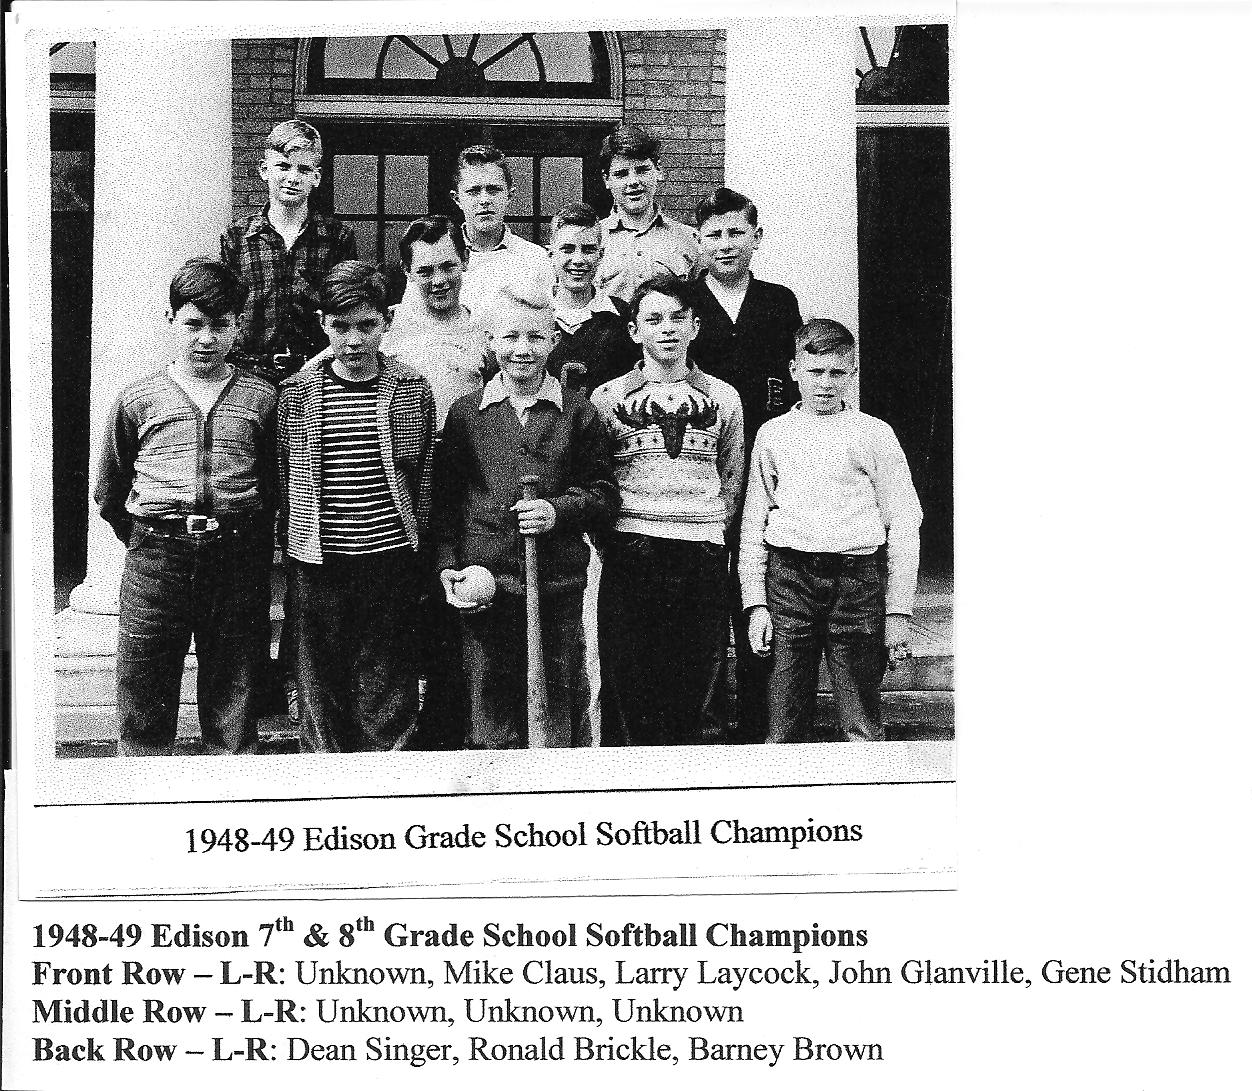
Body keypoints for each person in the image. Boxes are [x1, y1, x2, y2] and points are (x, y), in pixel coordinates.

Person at [94, 258, 277, 756]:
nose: (206, 339)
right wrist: (149, 536)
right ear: (171, 321)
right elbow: (110, 490)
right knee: (145, 686)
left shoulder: (262, 400)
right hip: (157, 557)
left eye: (220, 325)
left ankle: (234, 799)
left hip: (236, 555)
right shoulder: (139, 398)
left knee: (234, 690)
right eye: (193, 324)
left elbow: (275, 485)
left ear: (237, 325)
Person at [436, 282, 618, 749]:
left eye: (535, 338)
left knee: (556, 703)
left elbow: (603, 495)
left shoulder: (580, 413)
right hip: (486, 580)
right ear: (491, 342)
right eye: (510, 338)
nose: (522, 350)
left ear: (553, 340)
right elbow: (445, 503)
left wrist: (556, 510)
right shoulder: (466, 414)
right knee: (489, 702)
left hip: (557, 582)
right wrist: (448, 569)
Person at [738, 319, 923, 743]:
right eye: (815, 372)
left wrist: (897, 612)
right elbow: (754, 523)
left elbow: (905, 523)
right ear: (794, 370)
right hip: (789, 580)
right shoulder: (774, 435)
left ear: (852, 374)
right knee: (783, 720)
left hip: (857, 581)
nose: (825, 384)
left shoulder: (874, 434)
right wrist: (755, 604)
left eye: (837, 373)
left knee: (860, 719)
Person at [278, 261, 436, 752]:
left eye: (366, 325)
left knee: (385, 674)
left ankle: (386, 770)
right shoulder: (297, 392)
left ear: (387, 320)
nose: (353, 340)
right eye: (340, 326)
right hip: (318, 556)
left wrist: (421, 544)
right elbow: (285, 473)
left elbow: (422, 473)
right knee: (320, 675)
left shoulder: (411, 387)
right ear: (323, 323)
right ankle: (326, 773)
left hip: (388, 552)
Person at [592, 275, 744, 746]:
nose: (668, 329)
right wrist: (618, 539)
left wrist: (710, 527)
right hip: (632, 548)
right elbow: (598, 479)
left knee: (699, 678)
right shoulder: (606, 399)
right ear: (635, 331)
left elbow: (732, 476)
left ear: (696, 326)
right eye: (654, 319)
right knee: (632, 675)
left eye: (679, 318)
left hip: (700, 549)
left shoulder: (725, 397)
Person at [690, 186, 804, 743]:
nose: (726, 243)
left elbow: (794, 380)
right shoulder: (684, 304)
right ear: (699, 241)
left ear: (756, 237)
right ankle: (705, 723)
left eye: (737, 232)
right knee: (706, 597)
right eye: (714, 234)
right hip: (700, 468)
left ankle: (761, 724)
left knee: (760, 593)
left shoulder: (778, 302)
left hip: (768, 465)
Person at [220, 119, 357, 384]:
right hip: (249, 373)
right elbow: (226, 312)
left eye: (304, 169)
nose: (292, 178)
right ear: (264, 170)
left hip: (318, 372)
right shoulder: (237, 237)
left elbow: (346, 309)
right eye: (283, 166)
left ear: (316, 178)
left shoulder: (337, 237)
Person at [399, 144, 554, 319]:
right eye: (473, 191)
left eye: (493, 190)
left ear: (509, 195)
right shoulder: (436, 258)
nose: (484, 200)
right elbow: (413, 319)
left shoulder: (535, 259)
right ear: (457, 198)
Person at [597, 125, 701, 307]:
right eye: (621, 174)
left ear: (658, 170)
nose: (633, 182)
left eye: (642, 170)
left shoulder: (690, 239)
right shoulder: (594, 239)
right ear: (607, 180)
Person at [545, 201, 637, 398]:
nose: (578, 260)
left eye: (587, 250)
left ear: (600, 254)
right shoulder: (535, 314)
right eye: (568, 249)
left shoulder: (622, 315)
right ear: (551, 254)